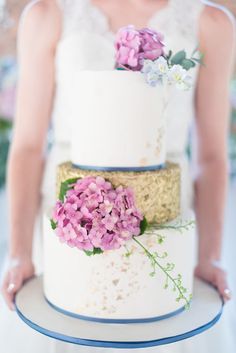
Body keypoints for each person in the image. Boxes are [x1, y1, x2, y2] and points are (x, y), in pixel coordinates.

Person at [0, 0, 235, 352]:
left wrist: (210, 255)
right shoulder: (48, 14)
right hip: (68, 216)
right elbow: (28, 147)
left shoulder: (211, 22)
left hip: (164, 210)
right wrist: (19, 253)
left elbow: (213, 157)